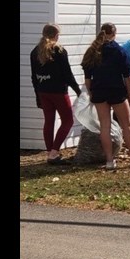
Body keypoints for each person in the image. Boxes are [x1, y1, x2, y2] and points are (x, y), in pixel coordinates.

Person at [81, 22, 130, 169]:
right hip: (116, 90)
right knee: (127, 125)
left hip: (99, 91)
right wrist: (129, 94)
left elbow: (87, 79)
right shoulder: (118, 51)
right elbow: (127, 76)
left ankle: (110, 161)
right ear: (114, 34)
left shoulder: (92, 51)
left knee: (105, 126)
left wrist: (92, 93)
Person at [30, 23, 82, 165]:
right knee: (68, 120)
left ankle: (49, 152)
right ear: (56, 35)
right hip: (58, 92)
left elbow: (34, 77)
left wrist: (37, 96)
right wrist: (78, 91)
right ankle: (54, 153)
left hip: (43, 91)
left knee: (49, 121)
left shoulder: (35, 51)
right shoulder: (59, 50)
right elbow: (67, 74)